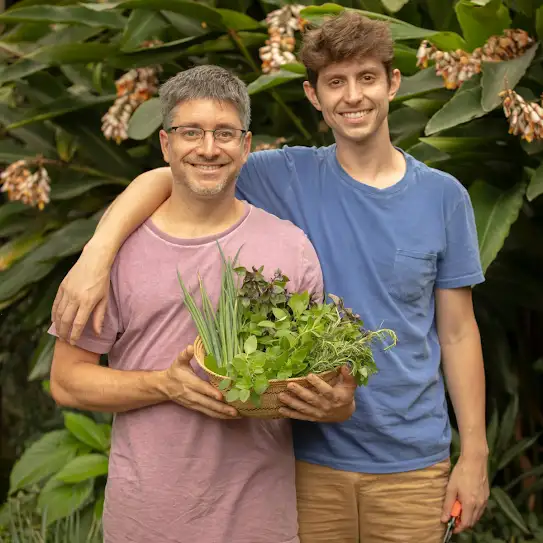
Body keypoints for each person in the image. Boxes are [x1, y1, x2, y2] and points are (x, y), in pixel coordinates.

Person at [51, 11, 490, 543]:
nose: (353, 96)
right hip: (305, 461)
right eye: (335, 82)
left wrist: (475, 454)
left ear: (393, 83)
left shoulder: (444, 196)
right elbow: (178, 172)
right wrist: (96, 254)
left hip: (411, 461)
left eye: (367, 78)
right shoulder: (281, 173)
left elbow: (458, 332)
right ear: (313, 95)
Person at [48, 65, 358, 543]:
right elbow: (68, 382)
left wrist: (337, 404)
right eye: (190, 132)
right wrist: (165, 385)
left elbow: (331, 388)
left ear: (247, 145)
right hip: (146, 524)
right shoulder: (113, 254)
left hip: (261, 525)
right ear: (166, 144)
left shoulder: (289, 247)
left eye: (225, 133)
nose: (209, 149)